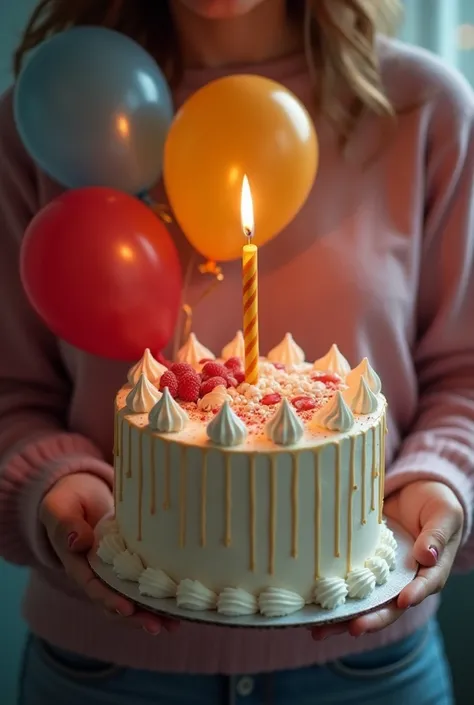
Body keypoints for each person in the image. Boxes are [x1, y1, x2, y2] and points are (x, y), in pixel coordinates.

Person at [0, 0, 473, 703]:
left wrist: (441, 480)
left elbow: (464, 379)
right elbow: (11, 393)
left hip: (370, 671)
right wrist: (54, 487)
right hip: (104, 673)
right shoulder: (51, 117)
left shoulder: (425, 109)